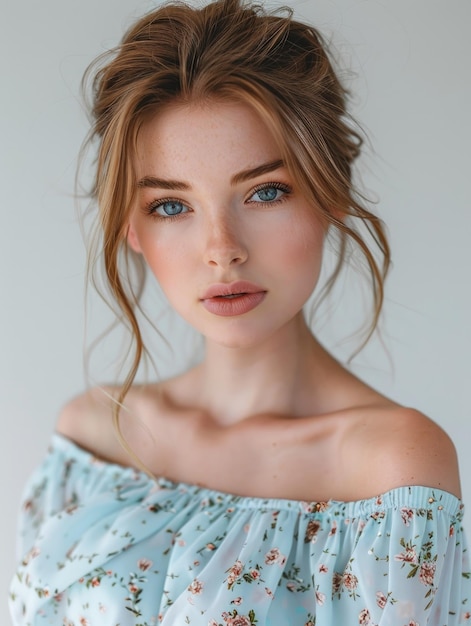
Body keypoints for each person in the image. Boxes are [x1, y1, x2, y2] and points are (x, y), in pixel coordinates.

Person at [9, 0, 470, 624]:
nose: (222, 249)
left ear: (329, 195)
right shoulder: (94, 442)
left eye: (266, 192)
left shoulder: (392, 466)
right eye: (172, 206)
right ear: (131, 228)